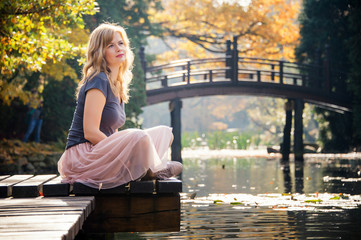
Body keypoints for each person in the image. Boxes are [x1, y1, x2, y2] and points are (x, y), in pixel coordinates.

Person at [58, 23, 182, 189]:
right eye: (111, 45)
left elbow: (113, 132)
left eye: (121, 43)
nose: (118, 48)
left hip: (103, 152)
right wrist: (122, 155)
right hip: (83, 156)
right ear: (100, 52)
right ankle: (151, 171)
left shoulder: (117, 84)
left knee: (165, 133)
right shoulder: (98, 80)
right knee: (139, 136)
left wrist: (124, 149)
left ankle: (146, 171)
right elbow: (90, 132)